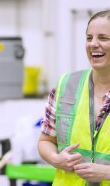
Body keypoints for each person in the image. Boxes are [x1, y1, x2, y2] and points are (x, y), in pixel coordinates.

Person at [38, 10, 110, 186]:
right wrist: (56, 158)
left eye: (103, 38)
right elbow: (45, 140)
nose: (93, 44)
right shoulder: (67, 85)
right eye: (89, 38)